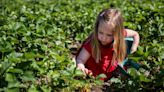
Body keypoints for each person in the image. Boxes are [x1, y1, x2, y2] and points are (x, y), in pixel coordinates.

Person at [76, 8, 140, 81]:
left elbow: (135, 34)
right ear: (97, 28)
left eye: (109, 35)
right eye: (100, 33)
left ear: (117, 33)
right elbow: (80, 59)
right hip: (94, 75)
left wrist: (133, 49)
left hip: (112, 69)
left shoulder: (120, 34)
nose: (103, 38)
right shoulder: (92, 42)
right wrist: (81, 67)